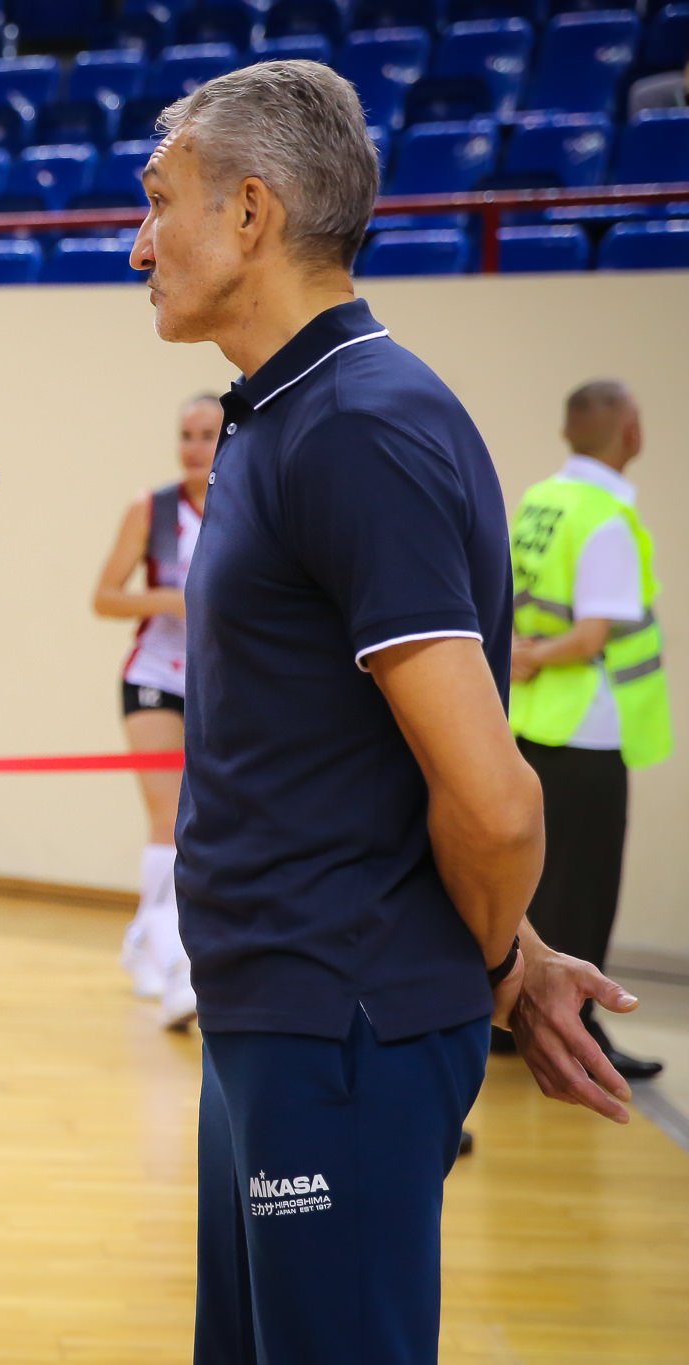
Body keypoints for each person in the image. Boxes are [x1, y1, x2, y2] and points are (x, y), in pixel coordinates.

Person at [132, 60, 645, 1365]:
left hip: (341, 1023)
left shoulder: (358, 428)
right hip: (277, 1007)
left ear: (252, 213)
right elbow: (376, 759)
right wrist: (513, 952)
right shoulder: (281, 414)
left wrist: (492, 963)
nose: (138, 243)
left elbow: (495, 799)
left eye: (160, 202)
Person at [508, 380, 670, 1081]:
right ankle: (580, 1030)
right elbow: (591, 635)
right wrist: (538, 656)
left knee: (535, 886)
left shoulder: (543, 501)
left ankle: (515, 1019)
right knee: (584, 889)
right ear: (630, 433)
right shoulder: (605, 517)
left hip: (532, 720)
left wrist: (518, 657)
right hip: (588, 728)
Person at [90, 393, 218, 1029]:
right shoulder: (152, 508)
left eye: (207, 435)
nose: (193, 447)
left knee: (205, 820)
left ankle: (145, 935)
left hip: (222, 683)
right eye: (186, 434)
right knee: (168, 817)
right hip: (155, 678)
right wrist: (170, 600)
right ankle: (176, 965)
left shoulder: (252, 508)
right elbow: (105, 597)